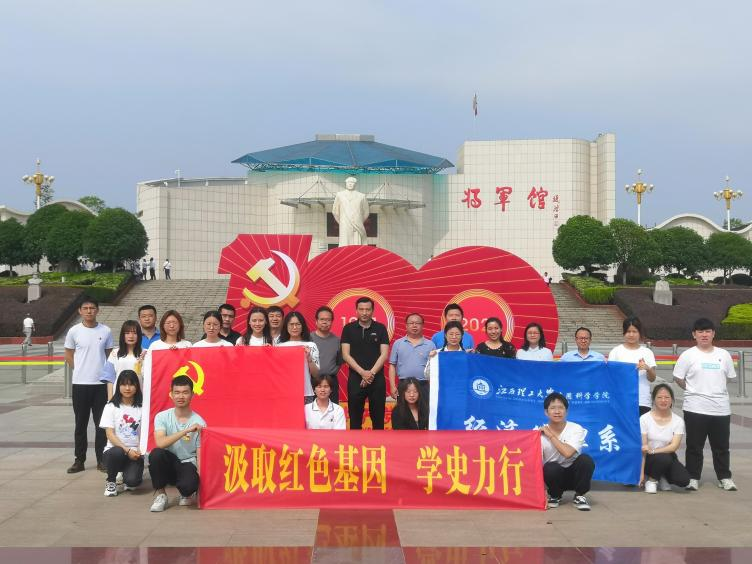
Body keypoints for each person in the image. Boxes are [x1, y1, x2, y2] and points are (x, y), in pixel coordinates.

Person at [673, 318, 737, 491]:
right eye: (700, 331)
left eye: (707, 331)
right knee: (694, 446)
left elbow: (729, 378)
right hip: (695, 407)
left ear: (713, 334)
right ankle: (693, 477)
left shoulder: (724, 355)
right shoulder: (688, 355)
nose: (704, 335)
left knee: (721, 447)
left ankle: (724, 477)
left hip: (720, 408)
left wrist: (714, 389)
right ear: (694, 334)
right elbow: (678, 378)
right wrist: (693, 389)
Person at [64, 297, 114, 474]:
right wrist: (79, 369)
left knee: (101, 424)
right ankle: (79, 460)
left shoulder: (105, 331)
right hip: (80, 384)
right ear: (80, 311)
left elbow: (110, 356)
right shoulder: (74, 331)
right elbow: (68, 354)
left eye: (92, 308)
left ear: (97, 310)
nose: (89, 311)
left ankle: (102, 460)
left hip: (100, 385)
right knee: (80, 424)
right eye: (85, 308)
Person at [149, 375, 206, 512]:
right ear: (171, 394)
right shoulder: (162, 417)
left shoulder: (199, 422)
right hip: (169, 462)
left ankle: (186, 493)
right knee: (156, 454)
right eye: (177, 392)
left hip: (188, 463)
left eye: (185, 392)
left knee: (189, 486)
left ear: (192, 395)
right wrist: (186, 431)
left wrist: (201, 485)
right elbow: (160, 443)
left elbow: (200, 454)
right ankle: (161, 495)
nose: (181, 396)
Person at [341, 297, 390, 430]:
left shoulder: (380, 328)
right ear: (356, 310)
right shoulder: (348, 329)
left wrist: (370, 374)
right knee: (355, 420)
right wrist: (362, 373)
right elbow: (346, 355)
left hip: (377, 379)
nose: (364, 312)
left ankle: (378, 443)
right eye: (361, 309)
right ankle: (356, 444)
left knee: (378, 420)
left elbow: (384, 354)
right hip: (356, 379)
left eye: (368, 309)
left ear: (372, 311)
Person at [540, 392, 595, 511]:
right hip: (554, 477)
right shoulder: (538, 433)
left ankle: (580, 496)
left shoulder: (576, 428)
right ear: (546, 412)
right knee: (550, 467)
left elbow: (567, 453)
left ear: (566, 411)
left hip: (574, 476)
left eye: (561, 408)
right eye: (553, 408)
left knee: (585, 460)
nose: (557, 411)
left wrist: (550, 435)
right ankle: (555, 496)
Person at [100, 370, 144, 496]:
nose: (127, 388)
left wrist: (140, 450)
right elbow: (110, 434)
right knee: (117, 451)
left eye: (131, 384)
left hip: (134, 453)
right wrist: (127, 450)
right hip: (114, 452)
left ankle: (127, 475)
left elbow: (144, 433)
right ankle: (111, 481)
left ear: (137, 386)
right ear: (118, 386)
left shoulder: (142, 408)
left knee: (132, 482)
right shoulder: (111, 407)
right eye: (124, 384)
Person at [640, 384, 690, 493]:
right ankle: (652, 480)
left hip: (666, 455)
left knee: (683, 480)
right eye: (659, 397)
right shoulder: (644, 419)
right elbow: (643, 449)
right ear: (653, 400)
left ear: (672, 400)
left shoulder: (678, 421)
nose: (663, 400)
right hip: (648, 458)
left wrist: (654, 451)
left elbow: (673, 447)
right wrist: (641, 474)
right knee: (663, 458)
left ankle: (660, 475)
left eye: (667, 397)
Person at [608, 317, 657, 416]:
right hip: (621, 400)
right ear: (624, 333)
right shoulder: (616, 351)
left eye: (634, 331)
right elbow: (610, 376)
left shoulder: (647, 352)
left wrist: (647, 369)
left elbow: (652, 379)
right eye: (628, 331)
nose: (631, 335)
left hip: (642, 401)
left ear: (640, 333)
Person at [389, 313, 435, 398]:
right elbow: (392, 365)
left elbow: (434, 369)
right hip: (404, 384)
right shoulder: (398, 343)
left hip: (423, 385)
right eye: (411, 323)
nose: (414, 326)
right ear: (406, 325)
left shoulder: (430, 345)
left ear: (422, 325)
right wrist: (392, 386)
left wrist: (433, 388)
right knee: (403, 407)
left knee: (424, 407)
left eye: (417, 323)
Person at [277, 311, 320, 400]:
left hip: (305, 393)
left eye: (298, 324)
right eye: (291, 324)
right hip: (283, 393)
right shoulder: (279, 347)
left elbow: (315, 374)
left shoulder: (311, 345)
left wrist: (309, 358)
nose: (294, 327)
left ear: (302, 326)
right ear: (286, 326)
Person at [102, 320, 143, 399]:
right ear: (122, 335)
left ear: (139, 335)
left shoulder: (145, 354)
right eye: (127, 333)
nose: (131, 336)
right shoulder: (114, 353)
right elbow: (110, 378)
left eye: (134, 333)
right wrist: (110, 399)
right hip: (118, 397)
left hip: (139, 397)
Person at [311, 306, 343, 404]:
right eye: (322, 319)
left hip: (331, 381)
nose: (325, 322)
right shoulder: (308, 339)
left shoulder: (337, 341)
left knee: (332, 410)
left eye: (328, 320)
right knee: (310, 410)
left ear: (332, 322)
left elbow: (339, 362)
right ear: (316, 321)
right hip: (312, 381)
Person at [332, 176, 369, 246]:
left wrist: (359, 220)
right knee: (345, 243)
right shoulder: (340, 195)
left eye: (352, 182)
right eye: (348, 182)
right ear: (345, 183)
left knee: (356, 244)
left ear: (355, 184)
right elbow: (335, 211)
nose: (350, 184)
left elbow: (366, 212)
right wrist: (341, 222)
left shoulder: (362, 196)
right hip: (344, 223)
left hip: (357, 223)